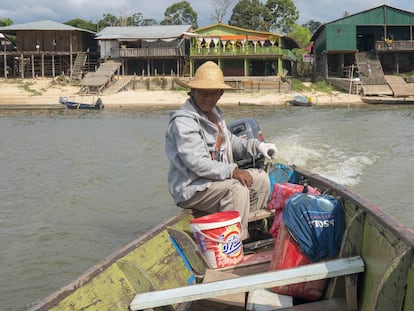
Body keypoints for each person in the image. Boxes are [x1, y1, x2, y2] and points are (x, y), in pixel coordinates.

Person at [165, 61, 277, 241]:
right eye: (203, 93)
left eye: (213, 93)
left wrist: (257, 146)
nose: (208, 98)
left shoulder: (215, 114)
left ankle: (251, 228)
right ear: (192, 92)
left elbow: (231, 142)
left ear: (220, 94)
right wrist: (232, 171)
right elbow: (197, 163)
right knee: (236, 189)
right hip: (193, 188)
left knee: (261, 179)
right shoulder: (183, 122)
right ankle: (236, 241)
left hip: (215, 183)